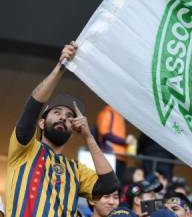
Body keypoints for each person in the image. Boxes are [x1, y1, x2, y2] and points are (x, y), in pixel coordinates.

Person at [6, 41, 119, 216]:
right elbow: (32, 109)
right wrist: (60, 67)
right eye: (56, 112)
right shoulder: (25, 149)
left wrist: (88, 137)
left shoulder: (76, 170)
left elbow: (109, 185)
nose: (63, 117)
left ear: (73, 131)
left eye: (69, 116)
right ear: (42, 123)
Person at [96, 105, 133, 181]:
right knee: (110, 183)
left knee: (117, 183)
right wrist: (124, 141)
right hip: (111, 154)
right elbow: (104, 132)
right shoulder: (108, 112)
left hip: (120, 155)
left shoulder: (118, 114)